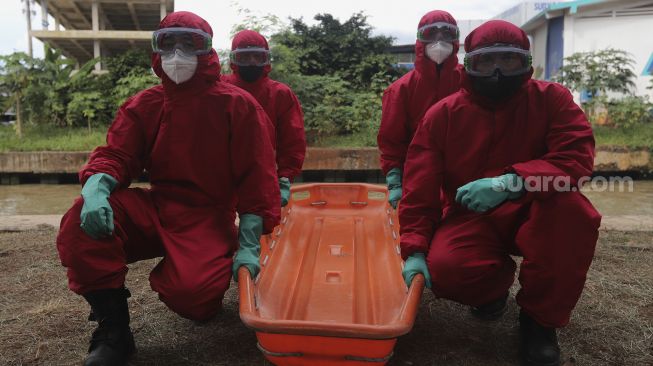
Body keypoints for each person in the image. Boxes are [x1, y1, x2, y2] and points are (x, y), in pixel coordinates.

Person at [56, 11, 280, 366]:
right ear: (156, 50)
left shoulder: (238, 105)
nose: (178, 52)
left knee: (193, 300)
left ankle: (224, 249)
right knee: (78, 225)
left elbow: (258, 177)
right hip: (157, 206)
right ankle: (114, 332)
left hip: (208, 215)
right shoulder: (146, 104)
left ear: (207, 49)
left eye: (189, 43)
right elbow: (117, 153)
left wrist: (251, 241)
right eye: (168, 42)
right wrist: (97, 187)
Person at [398, 20, 601, 366]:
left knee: (573, 212)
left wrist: (515, 182)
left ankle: (539, 322)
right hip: (472, 214)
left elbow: (577, 159)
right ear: (467, 67)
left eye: (509, 62)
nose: (496, 73)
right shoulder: (442, 116)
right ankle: (492, 292)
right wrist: (415, 247)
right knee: (446, 268)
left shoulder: (552, 100)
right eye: (485, 62)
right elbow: (420, 188)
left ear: (528, 66)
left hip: (538, 207)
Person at [377, 10, 463, 208]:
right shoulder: (400, 90)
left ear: (456, 39)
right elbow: (392, 140)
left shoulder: (470, 81)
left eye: (447, 34)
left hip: (465, 177)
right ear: (419, 41)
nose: (439, 41)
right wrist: (395, 179)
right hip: (418, 177)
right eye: (431, 33)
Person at [222, 30, 306, 206]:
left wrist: (285, 176)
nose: (252, 62)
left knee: (261, 225)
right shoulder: (219, 88)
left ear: (266, 60)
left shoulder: (280, 94)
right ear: (234, 60)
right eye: (244, 57)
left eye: (257, 57)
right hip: (220, 175)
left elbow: (292, 140)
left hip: (261, 173)